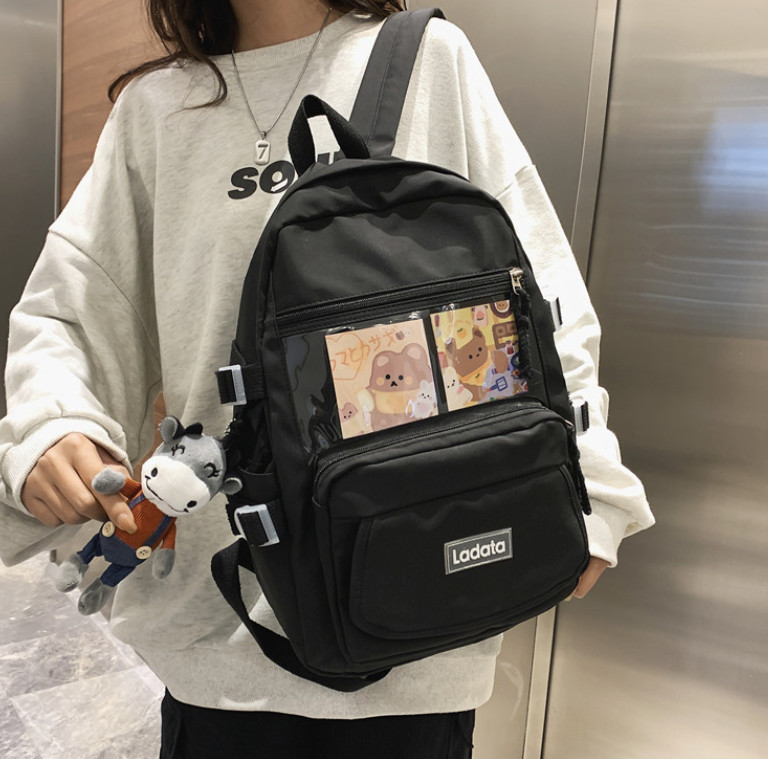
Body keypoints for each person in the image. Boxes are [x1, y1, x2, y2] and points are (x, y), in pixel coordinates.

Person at [0, 1, 655, 757]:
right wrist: (52, 423)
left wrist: (591, 484)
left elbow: (539, 296)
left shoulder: (431, 61)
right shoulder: (158, 109)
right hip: (221, 638)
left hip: (425, 608)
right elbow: (75, 310)